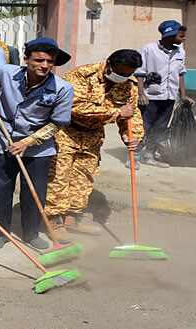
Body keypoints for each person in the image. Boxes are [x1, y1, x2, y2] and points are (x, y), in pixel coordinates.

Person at [0, 38, 74, 250]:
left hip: (37, 147)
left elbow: (58, 124)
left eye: (50, 61)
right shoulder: (7, 72)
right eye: (39, 60)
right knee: (0, 190)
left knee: (34, 192)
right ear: (26, 59)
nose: (45, 65)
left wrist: (27, 143)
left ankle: (31, 233)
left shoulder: (63, 89)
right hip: (2, 140)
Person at [45, 49, 144, 242]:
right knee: (58, 177)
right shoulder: (81, 75)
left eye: (128, 74)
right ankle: (54, 221)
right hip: (66, 131)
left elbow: (132, 112)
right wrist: (116, 113)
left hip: (93, 136)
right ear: (108, 64)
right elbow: (76, 107)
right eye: (120, 73)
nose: (123, 78)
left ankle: (71, 219)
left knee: (83, 179)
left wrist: (133, 136)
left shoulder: (129, 86)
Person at [134, 20, 195, 168]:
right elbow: (140, 73)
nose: (184, 38)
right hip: (150, 97)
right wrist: (141, 94)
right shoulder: (148, 50)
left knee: (160, 128)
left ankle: (149, 154)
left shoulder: (181, 52)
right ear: (170, 34)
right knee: (143, 126)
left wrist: (183, 95)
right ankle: (134, 155)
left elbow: (180, 74)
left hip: (169, 97)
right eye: (181, 36)